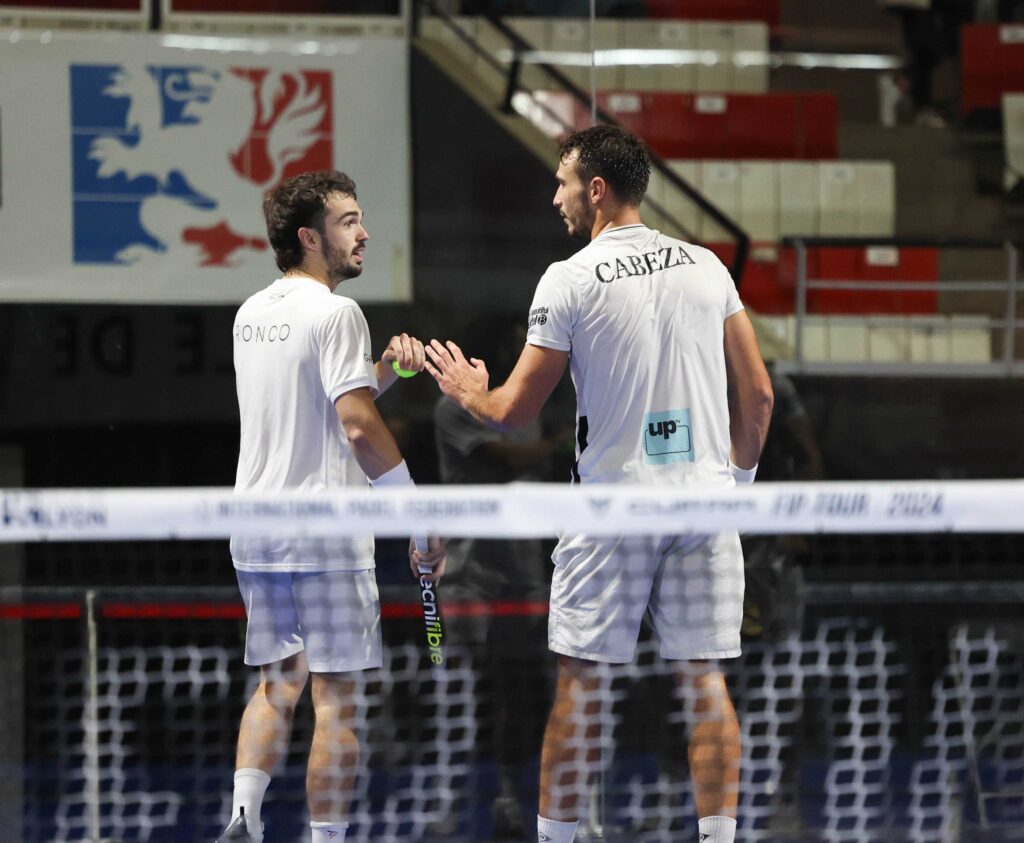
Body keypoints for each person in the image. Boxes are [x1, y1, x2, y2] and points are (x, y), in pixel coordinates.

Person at [424, 126, 773, 843]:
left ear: (596, 189)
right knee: (704, 682)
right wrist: (733, 485)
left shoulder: (570, 278)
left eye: (561, 183)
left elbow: (515, 412)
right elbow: (760, 395)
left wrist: (467, 391)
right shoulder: (709, 266)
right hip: (703, 506)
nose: (554, 198)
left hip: (610, 511)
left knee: (582, 685)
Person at [216, 170, 446, 843]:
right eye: (349, 222)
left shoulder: (251, 314)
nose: (364, 233)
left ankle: (244, 817)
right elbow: (356, 427)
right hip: (324, 532)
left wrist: (387, 372)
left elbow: (324, 404)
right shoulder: (338, 313)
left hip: (256, 530)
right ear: (310, 237)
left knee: (277, 684)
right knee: (336, 698)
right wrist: (416, 514)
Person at [432, 315, 572, 839]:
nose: (523, 353)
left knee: (521, 691)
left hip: (522, 574)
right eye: (514, 344)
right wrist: (560, 441)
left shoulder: (524, 404)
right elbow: (509, 458)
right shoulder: (452, 408)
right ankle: (448, 800)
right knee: (460, 691)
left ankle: (510, 796)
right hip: (468, 577)